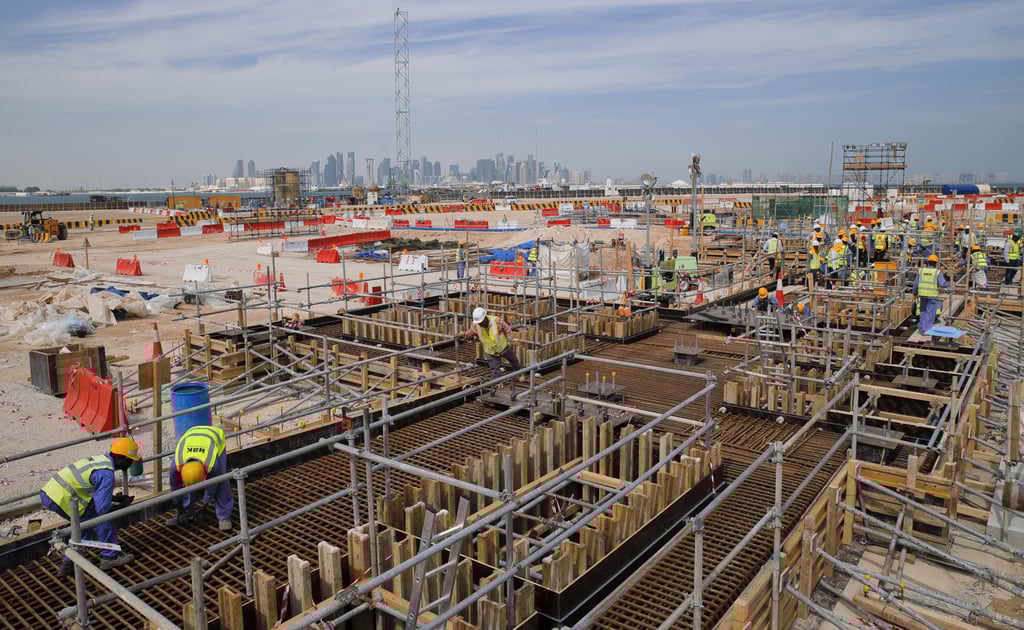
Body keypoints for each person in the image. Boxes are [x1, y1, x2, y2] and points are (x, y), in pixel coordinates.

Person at [40, 438, 139, 575]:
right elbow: (102, 508)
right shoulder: (107, 475)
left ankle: (70, 562)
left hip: (50, 493)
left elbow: (94, 492)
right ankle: (109, 557)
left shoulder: (100, 461)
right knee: (101, 519)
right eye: (129, 460)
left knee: (85, 524)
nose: (130, 464)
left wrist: (116, 499)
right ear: (121, 458)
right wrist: (120, 507)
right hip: (62, 497)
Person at [168, 425, 234, 531]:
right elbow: (175, 488)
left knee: (222, 481)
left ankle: (224, 517)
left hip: (214, 436)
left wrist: (204, 507)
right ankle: (187, 512)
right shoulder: (176, 465)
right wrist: (180, 510)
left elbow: (213, 486)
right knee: (187, 488)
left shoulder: (212, 465)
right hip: (191, 434)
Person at [463, 307, 521, 380]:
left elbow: (507, 329)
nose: (480, 324)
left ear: (485, 318)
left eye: (481, 322)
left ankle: (519, 374)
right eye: (479, 323)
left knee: (514, 360)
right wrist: (464, 334)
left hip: (503, 347)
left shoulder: (496, 321)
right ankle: (496, 383)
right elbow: (472, 331)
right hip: (490, 351)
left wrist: (509, 341)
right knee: (495, 368)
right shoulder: (476, 325)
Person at [914, 254, 949, 334]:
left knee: (923, 311)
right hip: (932, 296)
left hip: (922, 295)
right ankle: (925, 330)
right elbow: (942, 284)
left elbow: (916, 283)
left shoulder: (921, 271)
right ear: (936, 263)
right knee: (930, 313)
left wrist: (914, 293)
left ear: (928, 262)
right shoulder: (937, 272)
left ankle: (921, 327)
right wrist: (950, 284)